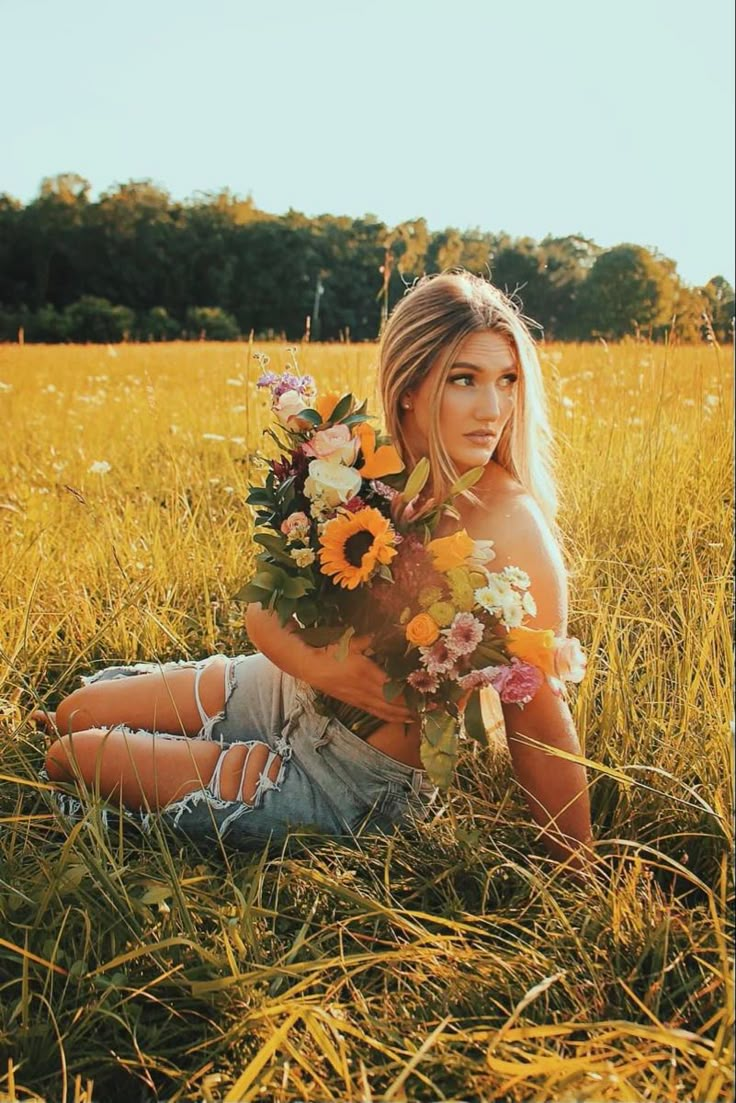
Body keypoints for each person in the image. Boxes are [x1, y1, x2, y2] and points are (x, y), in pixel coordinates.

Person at [38, 271, 593, 871]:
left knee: (71, 758)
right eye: (466, 380)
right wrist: (322, 667)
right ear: (410, 386)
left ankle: (235, 766)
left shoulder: (512, 524)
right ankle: (208, 749)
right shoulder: (358, 467)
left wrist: (577, 868)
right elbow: (263, 607)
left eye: (507, 381)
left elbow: (535, 707)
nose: (493, 408)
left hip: (349, 775)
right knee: (76, 712)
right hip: (281, 687)